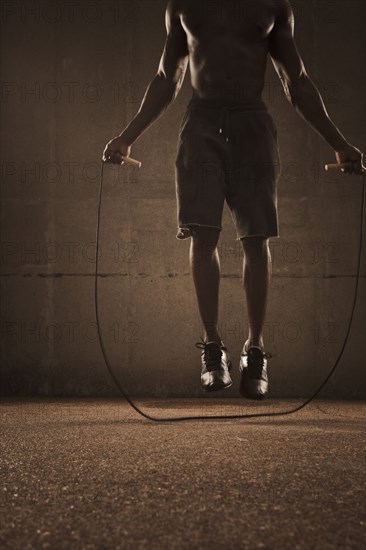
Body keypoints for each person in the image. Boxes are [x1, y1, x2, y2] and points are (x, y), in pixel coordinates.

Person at [103, 0, 365, 399]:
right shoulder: (183, 5)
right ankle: (212, 348)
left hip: (251, 124)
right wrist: (126, 136)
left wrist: (339, 143)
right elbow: (166, 78)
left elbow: (297, 81)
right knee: (201, 233)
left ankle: (255, 351)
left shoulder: (273, 6)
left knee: (255, 237)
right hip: (202, 121)